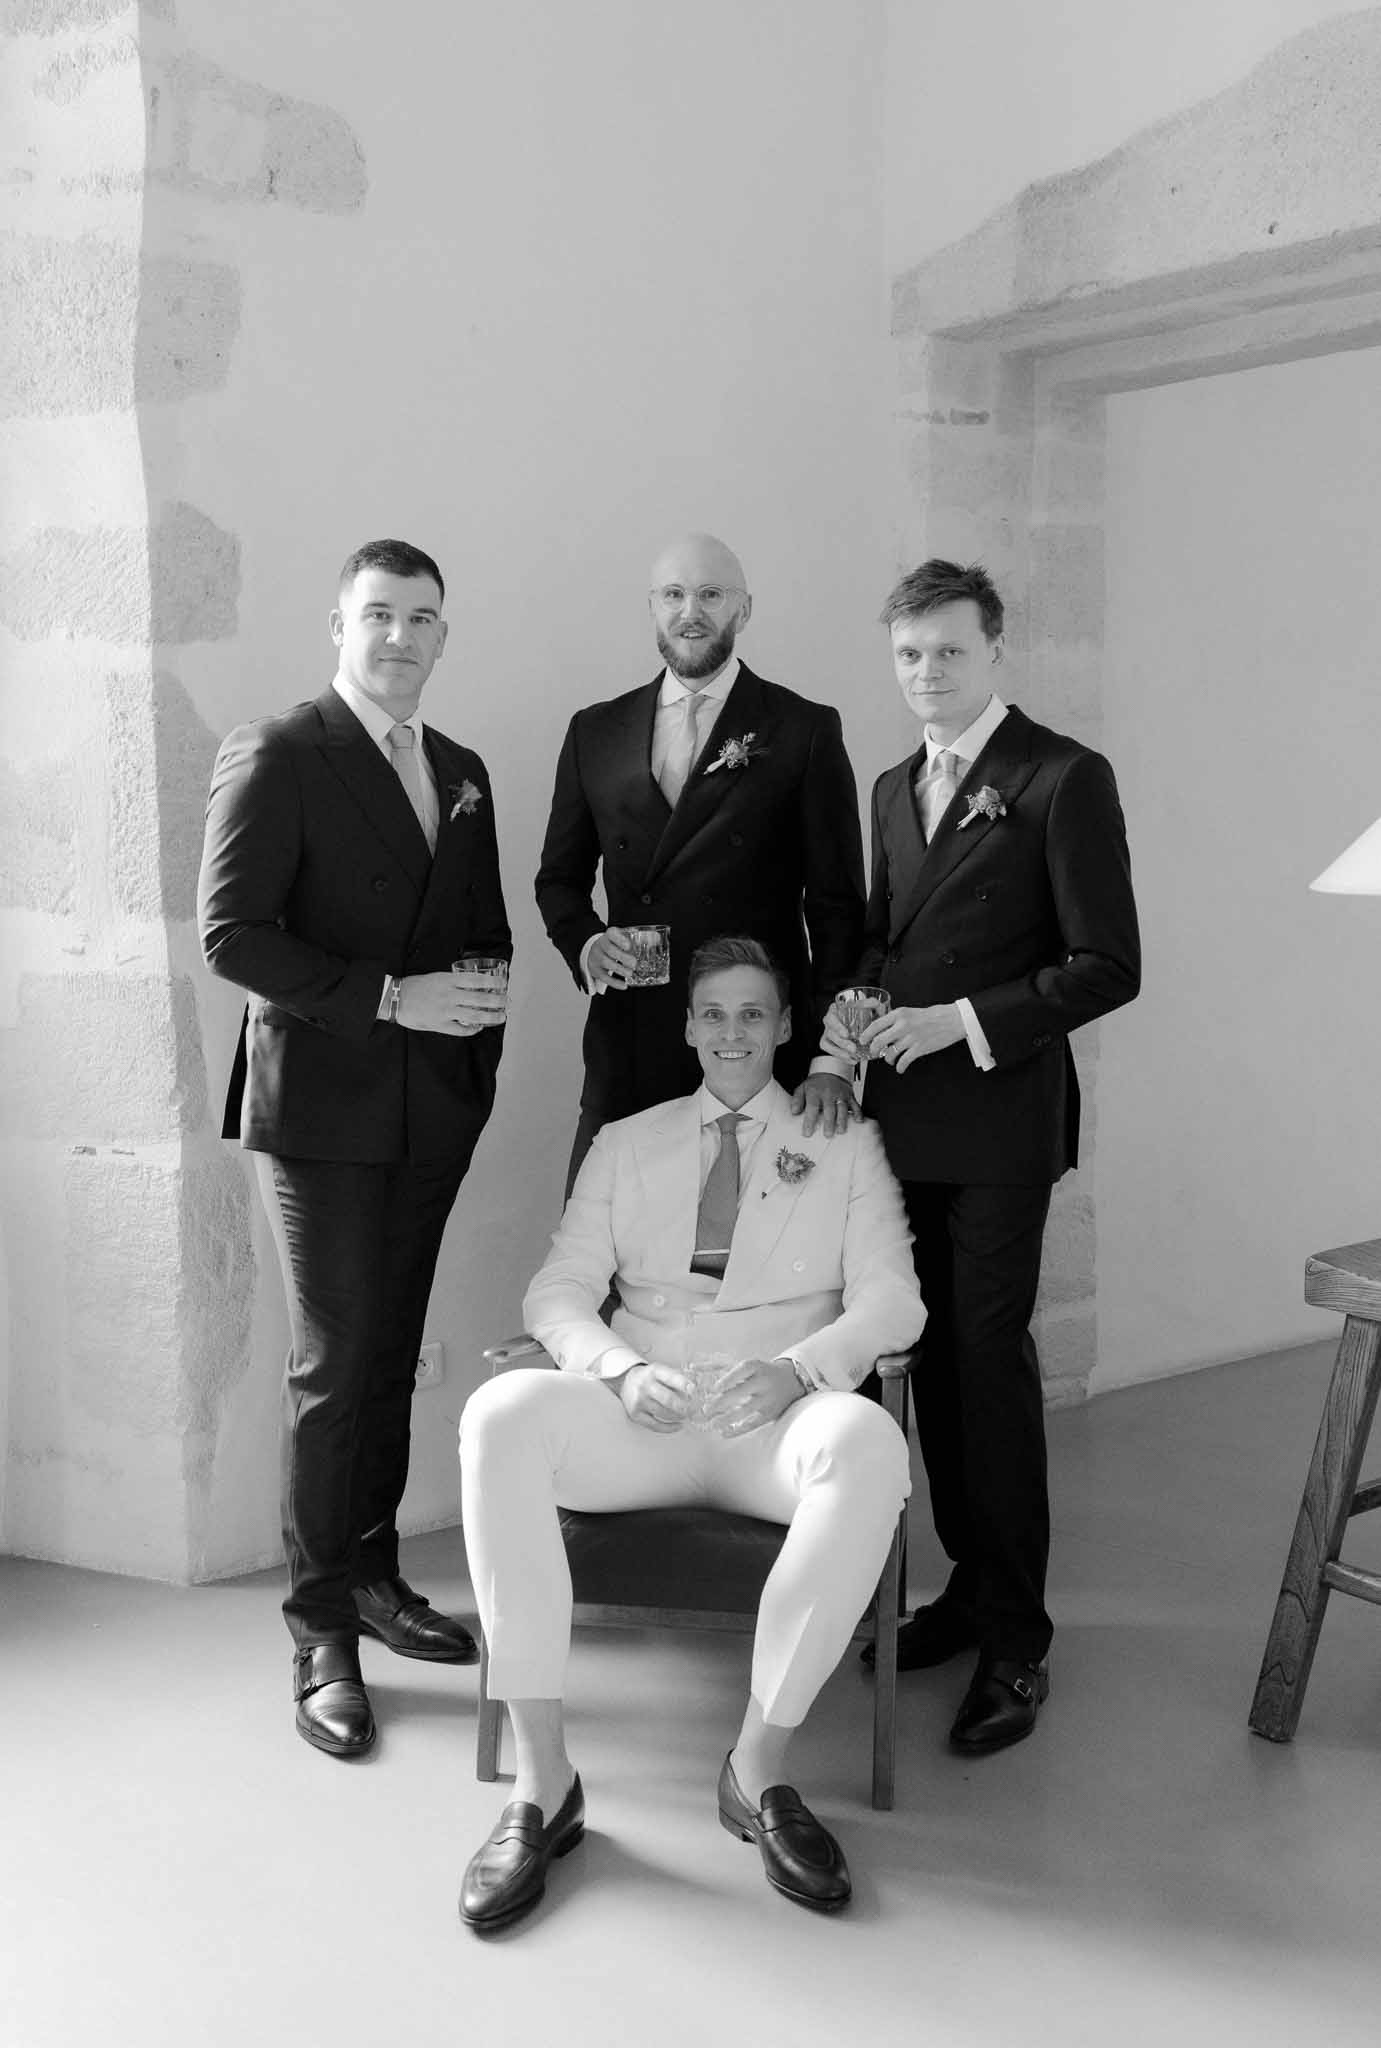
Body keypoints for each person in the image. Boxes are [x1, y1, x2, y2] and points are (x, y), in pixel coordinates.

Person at [457, 937, 921, 1931]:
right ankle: (541, 1785)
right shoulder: (627, 1140)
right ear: (685, 1027)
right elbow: (560, 1291)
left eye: (753, 1013)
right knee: (498, 1413)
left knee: (872, 1443)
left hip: (773, 1419)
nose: (731, 1034)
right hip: (643, 1416)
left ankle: (756, 1770)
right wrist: (619, 1370)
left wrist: (796, 1369)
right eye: (712, 1013)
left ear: (787, 1026)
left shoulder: (843, 1139)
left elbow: (893, 1302)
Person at [819, 559, 1140, 1755]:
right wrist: (852, 1014)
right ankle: (959, 1586)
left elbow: (1107, 964)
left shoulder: (1062, 777)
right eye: (907, 654)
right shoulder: (892, 783)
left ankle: (1016, 1636)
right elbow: (874, 936)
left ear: (995, 649)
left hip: (1000, 1127)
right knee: (922, 1359)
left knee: (984, 1364)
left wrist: (959, 1022)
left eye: (947, 651)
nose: (925, 674)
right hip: (898, 1125)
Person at [197, 538, 511, 1760]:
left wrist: (475, 1040)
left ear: (443, 635)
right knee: (332, 1367)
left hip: (432, 1108)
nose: (399, 636)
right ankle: (319, 1629)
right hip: (322, 1107)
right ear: (337, 623)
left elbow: (477, 931)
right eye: (377, 614)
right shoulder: (279, 749)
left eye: (422, 618)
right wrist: (390, 999)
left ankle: (375, 1575)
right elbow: (232, 934)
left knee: (390, 1359)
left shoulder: (465, 768)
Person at [534, 532, 865, 1188]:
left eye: (711, 595)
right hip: (632, 1034)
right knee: (605, 1250)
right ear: (652, 607)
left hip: (758, 1034)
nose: (692, 611)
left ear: (743, 610)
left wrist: (833, 1055)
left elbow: (836, 907)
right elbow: (559, 880)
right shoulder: (593, 731)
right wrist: (587, 946)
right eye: (674, 595)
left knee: (754, 1262)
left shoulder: (801, 729)